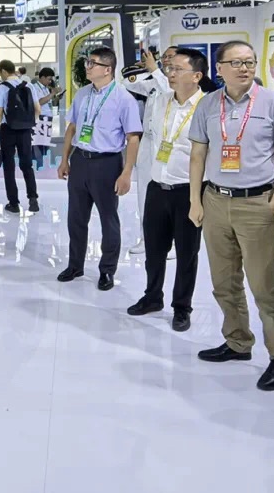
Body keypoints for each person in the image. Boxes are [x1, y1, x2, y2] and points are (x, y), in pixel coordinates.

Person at [188, 40, 274, 391]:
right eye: (236, 63)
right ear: (219, 68)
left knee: (264, 285)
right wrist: (195, 201)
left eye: (249, 62)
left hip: (256, 203)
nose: (244, 68)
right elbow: (197, 155)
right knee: (224, 282)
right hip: (215, 200)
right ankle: (237, 341)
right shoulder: (208, 104)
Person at [127, 48, 210, 333]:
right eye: (169, 68)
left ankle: (182, 307)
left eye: (177, 69)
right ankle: (152, 297)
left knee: (187, 253)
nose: (170, 73)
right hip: (157, 187)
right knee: (154, 250)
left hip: (188, 191)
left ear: (196, 76)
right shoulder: (161, 100)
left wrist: (199, 198)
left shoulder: (207, 107)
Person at [56, 47, 143, 291]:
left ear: (107, 69)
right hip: (80, 161)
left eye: (92, 63)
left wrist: (127, 173)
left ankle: (107, 270)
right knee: (76, 218)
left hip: (107, 163)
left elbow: (133, 138)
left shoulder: (123, 98)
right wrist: (65, 159)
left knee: (108, 219)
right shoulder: (82, 93)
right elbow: (72, 128)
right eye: (88, 62)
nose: (88, 67)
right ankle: (75, 265)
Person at [128, 48, 172, 256]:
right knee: (144, 192)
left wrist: (154, 70)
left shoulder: (181, 83)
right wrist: (142, 71)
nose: (166, 60)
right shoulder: (154, 81)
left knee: (169, 194)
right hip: (147, 142)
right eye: (165, 57)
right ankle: (146, 238)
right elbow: (129, 84)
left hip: (169, 144)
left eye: (171, 56)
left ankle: (171, 241)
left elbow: (169, 93)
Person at [0, 59, 40, 214]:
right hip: (25, 130)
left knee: (9, 166)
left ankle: (13, 203)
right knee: (27, 165)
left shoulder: (2, 88)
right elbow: (37, 110)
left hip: (8, 130)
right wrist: (28, 123)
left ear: (4, 71)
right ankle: (33, 199)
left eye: (0, 73)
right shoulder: (29, 86)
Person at [29, 67, 59, 168]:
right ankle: (37, 165)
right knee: (38, 143)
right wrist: (52, 93)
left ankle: (43, 164)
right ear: (42, 77)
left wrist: (55, 97)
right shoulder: (34, 88)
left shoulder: (46, 88)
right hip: (40, 118)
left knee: (45, 143)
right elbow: (39, 102)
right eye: (49, 79)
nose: (50, 81)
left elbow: (48, 101)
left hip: (47, 118)